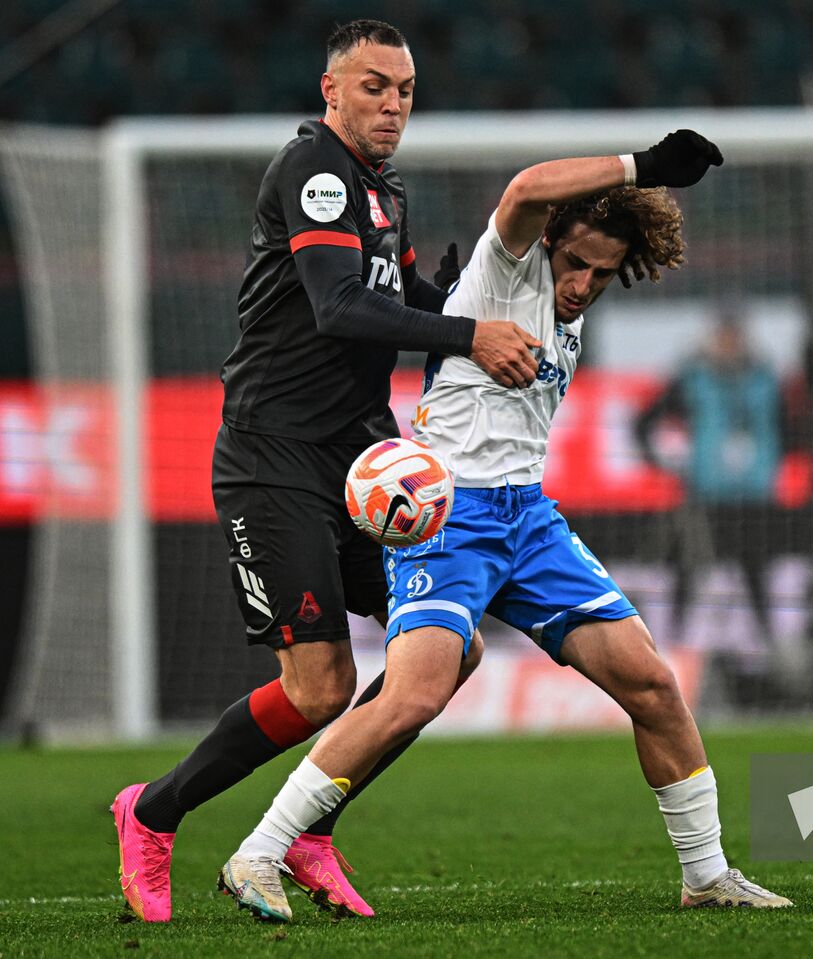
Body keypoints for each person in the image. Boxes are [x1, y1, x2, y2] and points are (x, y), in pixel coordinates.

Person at [216, 130, 791, 923]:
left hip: (530, 517)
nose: (584, 283)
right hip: (448, 516)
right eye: (576, 263)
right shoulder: (508, 265)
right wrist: (643, 170)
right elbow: (525, 190)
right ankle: (258, 851)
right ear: (548, 243)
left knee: (654, 684)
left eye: (602, 272)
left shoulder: (570, 306)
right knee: (414, 696)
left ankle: (707, 872)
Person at [111, 19, 540, 923]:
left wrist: (471, 301)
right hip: (274, 458)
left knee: (448, 647)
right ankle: (151, 812)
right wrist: (469, 334)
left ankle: (312, 826)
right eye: (375, 86)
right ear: (331, 90)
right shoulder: (313, 173)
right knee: (320, 687)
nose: (393, 104)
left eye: (407, 90)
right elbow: (340, 307)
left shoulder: (385, 191)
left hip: (364, 461)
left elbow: (402, 295)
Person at [632, 314, 783, 650]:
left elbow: (791, 427)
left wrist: (771, 463)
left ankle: (771, 655)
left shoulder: (764, 378)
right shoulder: (693, 378)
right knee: (688, 575)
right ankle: (671, 649)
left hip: (754, 500)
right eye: (724, 336)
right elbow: (644, 422)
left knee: (758, 579)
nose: (729, 343)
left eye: (735, 335)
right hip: (706, 499)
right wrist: (666, 464)